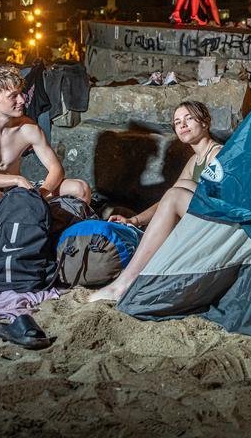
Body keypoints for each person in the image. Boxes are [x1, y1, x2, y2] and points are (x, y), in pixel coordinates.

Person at [89, 101, 221, 303]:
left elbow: (225, 200)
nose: (182, 125)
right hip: (200, 221)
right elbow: (168, 200)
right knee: (175, 190)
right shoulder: (194, 161)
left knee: (178, 191)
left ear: (205, 122)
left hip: (220, 226)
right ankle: (133, 278)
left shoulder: (219, 153)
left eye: (189, 118)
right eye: (177, 122)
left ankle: (123, 284)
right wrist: (135, 220)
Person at [0, 66, 91, 216]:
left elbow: (56, 169)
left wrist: (39, 195)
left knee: (80, 188)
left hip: (17, 193)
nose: (22, 100)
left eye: (21, 93)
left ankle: (57, 233)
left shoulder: (29, 128)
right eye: (13, 96)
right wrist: (17, 180)